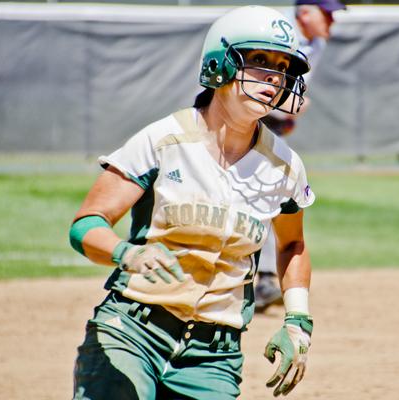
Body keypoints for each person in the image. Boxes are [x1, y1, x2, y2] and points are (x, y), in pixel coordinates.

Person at [69, 6, 315, 399]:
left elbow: (292, 244)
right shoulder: (163, 141)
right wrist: (125, 254)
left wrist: (297, 320)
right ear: (219, 64)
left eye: (283, 66)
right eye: (259, 60)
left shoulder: (283, 166)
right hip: (133, 331)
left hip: (214, 355)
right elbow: (86, 225)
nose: (274, 76)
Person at [255, 0, 346, 312]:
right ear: (306, 13)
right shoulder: (275, 37)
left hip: (273, 125)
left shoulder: (316, 44)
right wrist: (288, 107)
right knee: (259, 196)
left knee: (271, 196)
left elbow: (296, 93)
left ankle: (266, 277)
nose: (332, 24)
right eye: (328, 15)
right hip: (246, 120)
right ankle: (261, 277)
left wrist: (288, 113)